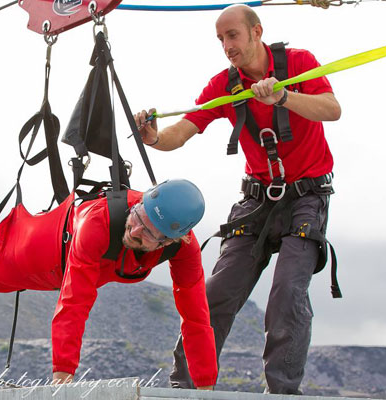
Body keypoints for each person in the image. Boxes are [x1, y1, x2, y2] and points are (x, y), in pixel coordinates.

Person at [134, 5, 341, 394]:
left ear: (256, 32)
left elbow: (332, 109)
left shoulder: (299, 63)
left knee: (287, 295)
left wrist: (282, 97)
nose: (227, 46)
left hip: (306, 198)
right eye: (220, 39)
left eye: (233, 36)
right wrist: (154, 138)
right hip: (257, 200)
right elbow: (181, 131)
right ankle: (187, 388)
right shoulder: (223, 86)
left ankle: (281, 392)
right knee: (215, 295)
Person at [0, 179, 218, 388]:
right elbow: (75, 301)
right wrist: (62, 378)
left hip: (86, 264)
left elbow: (196, 317)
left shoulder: (184, 249)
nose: (134, 231)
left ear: (172, 240)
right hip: (55, 243)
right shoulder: (101, 223)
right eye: (138, 217)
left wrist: (206, 386)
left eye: (148, 234)